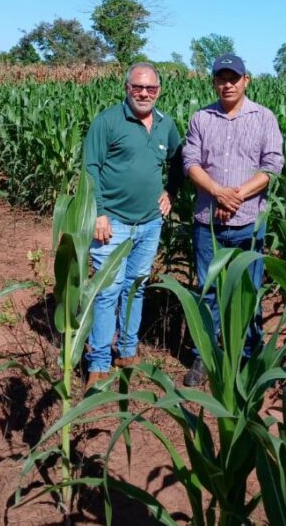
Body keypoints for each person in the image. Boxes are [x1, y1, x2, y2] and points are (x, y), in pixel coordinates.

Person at [181, 53, 284, 386]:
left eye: (233, 78)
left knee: (248, 291)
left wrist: (235, 195)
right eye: (221, 79)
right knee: (206, 291)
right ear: (214, 82)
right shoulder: (201, 118)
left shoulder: (264, 118)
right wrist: (217, 192)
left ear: (246, 81)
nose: (227, 84)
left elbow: (272, 166)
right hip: (207, 222)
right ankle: (203, 357)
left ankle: (248, 358)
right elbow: (190, 162)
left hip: (248, 222)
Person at [82, 62, 183, 387]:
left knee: (135, 289)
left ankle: (127, 351)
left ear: (159, 91)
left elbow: (181, 162)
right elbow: (90, 168)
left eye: (150, 88)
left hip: (150, 223)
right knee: (107, 291)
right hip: (113, 223)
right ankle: (98, 361)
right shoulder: (108, 121)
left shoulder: (166, 125)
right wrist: (98, 212)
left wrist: (172, 192)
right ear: (126, 88)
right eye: (137, 87)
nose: (143, 93)